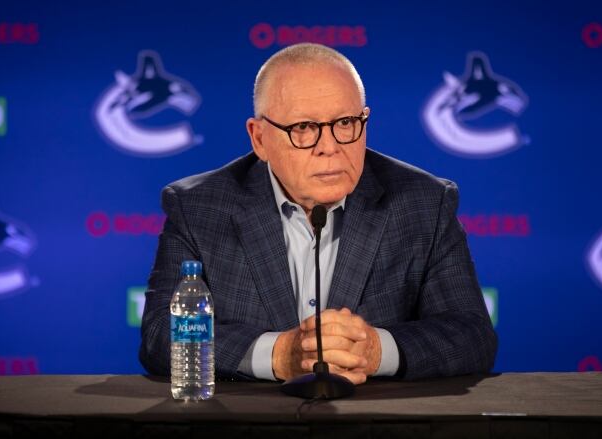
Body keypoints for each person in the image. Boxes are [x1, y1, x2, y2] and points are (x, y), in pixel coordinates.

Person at [139, 43, 497, 384]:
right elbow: (160, 337)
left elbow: (471, 335)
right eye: (304, 128)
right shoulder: (200, 208)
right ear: (259, 138)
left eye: (345, 123)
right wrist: (278, 355)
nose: (330, 148)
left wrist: (375, 350)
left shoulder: (423, 203)